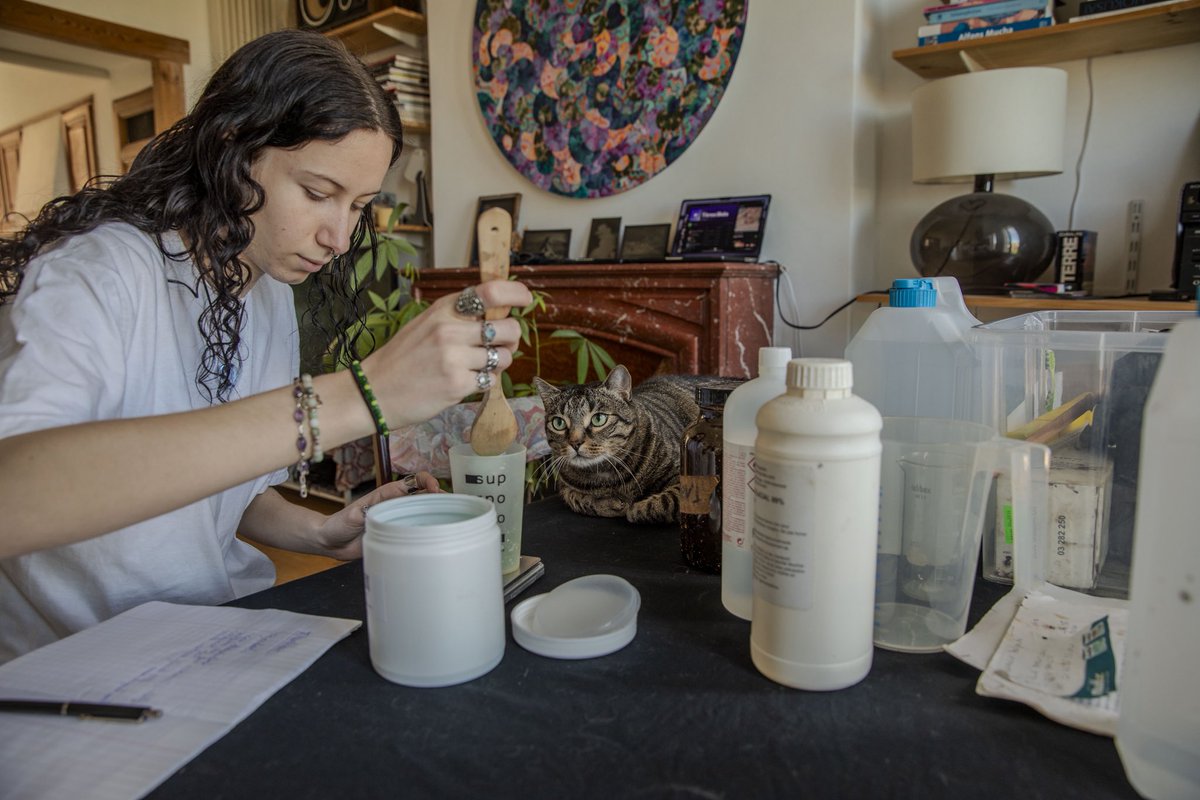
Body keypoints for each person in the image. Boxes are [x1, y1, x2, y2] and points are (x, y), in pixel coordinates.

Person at [0, 29, 532, 663]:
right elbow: (17, 498)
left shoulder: (266, 291)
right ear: (233, 147)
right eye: (316, 192)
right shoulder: (100, 272)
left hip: (212, 639)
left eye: (359, 205)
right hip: (78, 671)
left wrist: (318, 530)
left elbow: (226, 488)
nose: (339, 235)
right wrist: (366, 392)